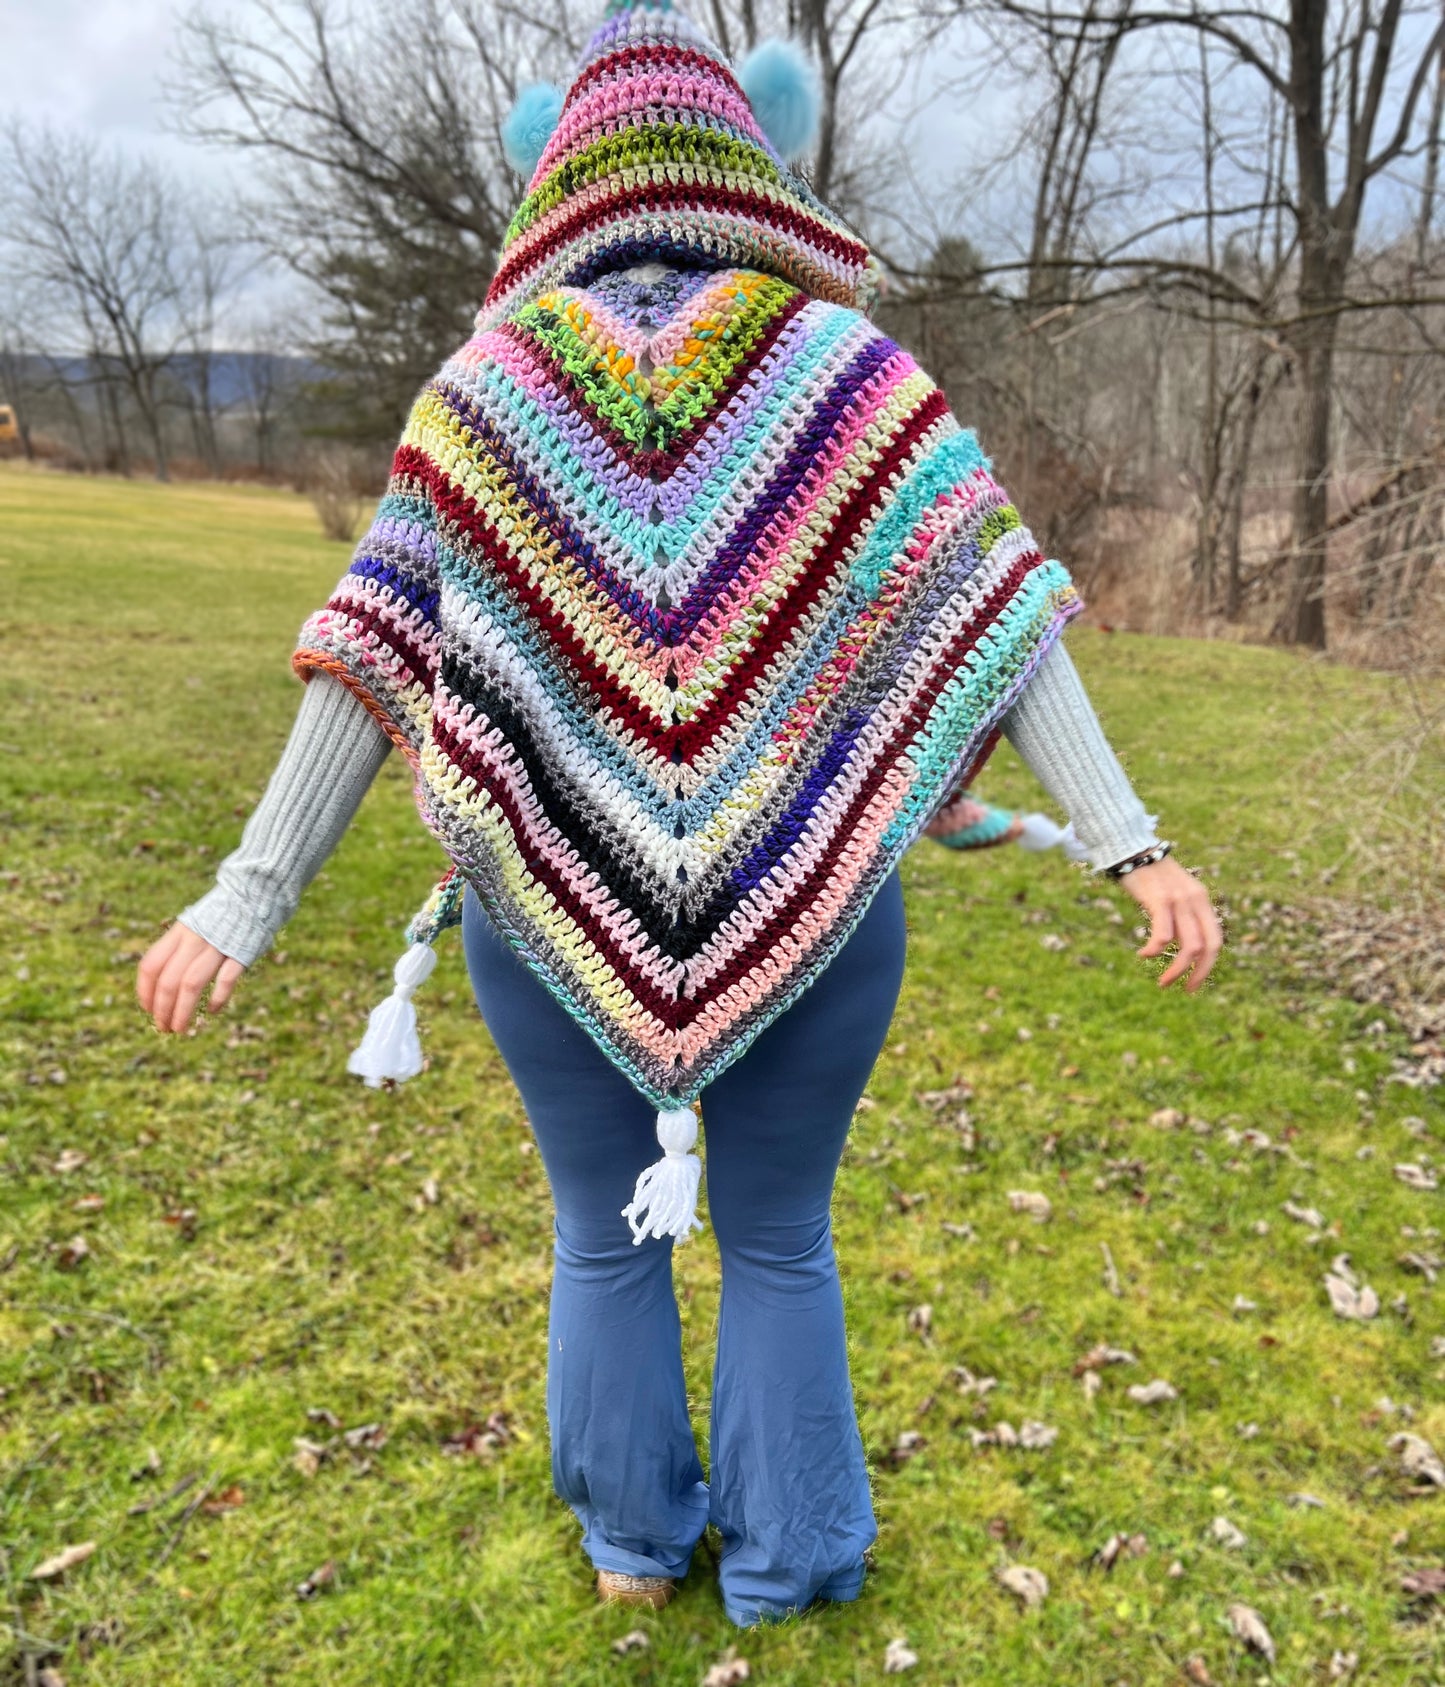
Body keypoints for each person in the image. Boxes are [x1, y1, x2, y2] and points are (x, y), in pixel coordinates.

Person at [136, 0, 1222, 1631]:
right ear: (745, 160)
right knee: (779, 1239)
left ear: (559, 173)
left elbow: (368, 648)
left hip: (540, 905)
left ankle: (631, 1552)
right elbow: (998, 609)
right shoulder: (852, 377)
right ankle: (789, 1565)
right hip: (817, 901)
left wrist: (249, 890)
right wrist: (1128, 840)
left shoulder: (485, 390)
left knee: (600, 1239)